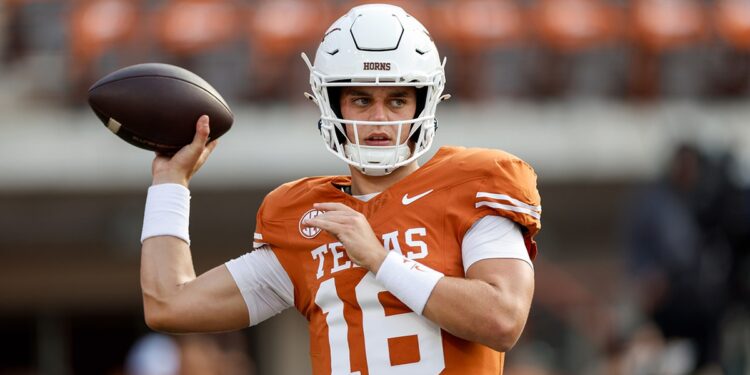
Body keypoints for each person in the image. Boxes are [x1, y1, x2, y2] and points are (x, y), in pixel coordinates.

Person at [139, 4, 540, 374]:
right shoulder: (308, 219)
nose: (379, 118)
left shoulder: (474, 184)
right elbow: (169, 304)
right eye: (361, 100)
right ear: (332, 105)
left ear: (423, 105)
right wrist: (169, 182)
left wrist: (380, 260)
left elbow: (502, 319)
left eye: (398, 100)